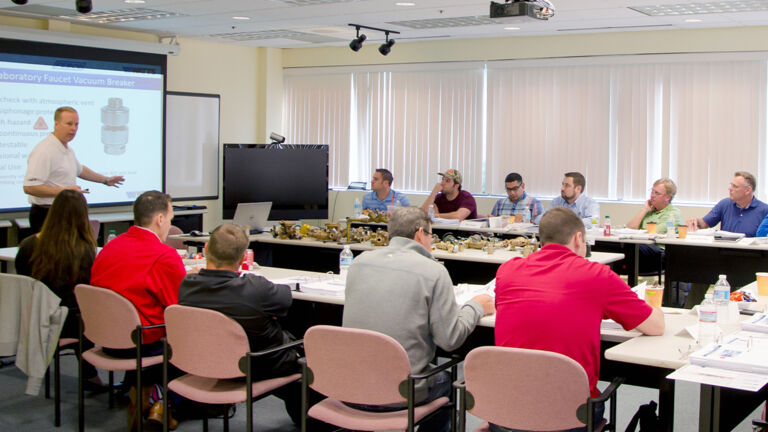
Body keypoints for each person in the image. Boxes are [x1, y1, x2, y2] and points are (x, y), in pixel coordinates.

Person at [493, 207, 664, 432]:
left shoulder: (507, 271)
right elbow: (656, 326)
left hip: (507, 411)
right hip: (568, 415)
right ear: (578, 238)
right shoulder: (596, 275)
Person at [343, 206, 495, 432]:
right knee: (449, 382)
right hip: (402, 390)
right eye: (431, 235)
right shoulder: (433, 271)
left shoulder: (358, 263)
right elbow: (450, 340)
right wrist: (475, 307)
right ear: (419, 234)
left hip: (346, 384)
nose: (432, 242)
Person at [178, 223, 304, 425]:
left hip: (205, 361)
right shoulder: (255, 288)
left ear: (207, 249)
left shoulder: (187, 284)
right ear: (244, 257)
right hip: (257, 364)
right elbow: (286, 301)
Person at [90, 190, 186, 429]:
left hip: (104, 338)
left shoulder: (110, 247)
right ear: (160, 220)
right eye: (171, 219)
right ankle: (163, 402)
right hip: (142, 342)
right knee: (195, 338)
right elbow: (178, 308)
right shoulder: (163, 255)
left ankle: (147, 394)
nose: (169, 224)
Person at [15, 189, 105, 391]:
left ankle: (89, 375)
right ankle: (91, 374)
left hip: (36, 318)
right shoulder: (85, 250)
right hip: (69, 323)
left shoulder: (28, 245)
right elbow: (89, 290)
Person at [23, 106, 125, 233]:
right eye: (69, 124)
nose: (73, 128)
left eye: (76, 124)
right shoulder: (44, 151)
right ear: (56, 124)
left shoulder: (66, 149)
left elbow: (80, 170)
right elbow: (30, 187)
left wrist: (105, 180)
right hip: (47, 215)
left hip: (65, 212)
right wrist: (64, 191)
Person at [624, 178, 683, 274]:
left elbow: (652, 233)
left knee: (632, 247)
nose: (652, 196)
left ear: (667, 197)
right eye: (652, 191)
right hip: (643, 249)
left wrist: (639, 232)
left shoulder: (674, 214)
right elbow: (629, 228)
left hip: (660, 252)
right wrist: (644, 210)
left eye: (657, 193)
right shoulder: (649, 211)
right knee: (617, 246)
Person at [687, 171, 768, 238]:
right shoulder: (725, 204)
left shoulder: (764, 210)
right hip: (724, 252)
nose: (729, 189)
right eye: (731, 185)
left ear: (748, 190)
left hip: (751, 254)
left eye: (735, 186)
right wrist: (695, 221)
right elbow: (704, 223)